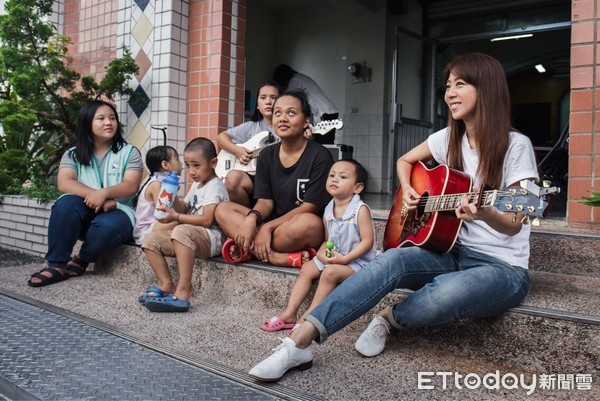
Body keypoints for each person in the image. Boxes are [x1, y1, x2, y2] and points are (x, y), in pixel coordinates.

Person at [249, 53, 539, 381]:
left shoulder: (516, 146)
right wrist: (410, 192)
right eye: (447, 86)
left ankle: (388, 318)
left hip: (502, 267)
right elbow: (404, 161)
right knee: (389, 261)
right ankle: (298, 343)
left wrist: (486, 213)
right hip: (450, 251)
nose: (450, 93)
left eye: (460, 84)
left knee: (447, 292)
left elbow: (516, 222)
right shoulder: (447, 139)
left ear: (487, 89)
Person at [28, 100, 143, 287]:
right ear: (87, 123)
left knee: (107, 227)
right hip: (85, 209)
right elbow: (65, 183)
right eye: (101, 118)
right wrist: (96, 196)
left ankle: (82, 258)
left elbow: (131, 185)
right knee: (64, 204)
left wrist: (105, 193)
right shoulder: (73, 154)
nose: (109, 122)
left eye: (112, 118)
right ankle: (56, 265)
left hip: (119, 210)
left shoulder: (129, 152)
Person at [215, 90, 334, 268]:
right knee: (222, 209)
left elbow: (310, 207)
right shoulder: (267, 155)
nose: (283, 118)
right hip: (273, 227)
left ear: (306, 121)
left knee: (309, 224)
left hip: (295, 227)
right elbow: (265, 202)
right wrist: (253, 219)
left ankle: (251, 248)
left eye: (291, 113)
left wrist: (267, 228)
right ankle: (275, 257)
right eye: (278, 113)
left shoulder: (320, 156)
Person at [260, 159, 377, 332]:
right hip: (336, 257)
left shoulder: (360, 210)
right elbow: (327, 240)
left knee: (329, 273)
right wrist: (322, 253)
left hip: (358, 262)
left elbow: (367, 242)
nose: (335, 179)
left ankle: (309, 317)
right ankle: (289, 314)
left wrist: (345, 259)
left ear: (357, 187)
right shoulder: (329, 209)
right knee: (307, 268)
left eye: (343, 177)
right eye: (331, 175)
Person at [139, 138, 228, 312]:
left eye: (196, 165)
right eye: (187, 165)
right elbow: (186, 207)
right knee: (151, 240)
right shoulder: (197, 184)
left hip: (212, 237)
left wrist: (177, 216)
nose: (191, 171)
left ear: (213, 163)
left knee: (180, 230)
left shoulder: (214, 186)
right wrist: (172, 196)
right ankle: (166, 284)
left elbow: (207, 220)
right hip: (190, 235)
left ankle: (184, 288)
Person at [216, 82, 281, 206]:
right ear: (257, 105)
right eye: (263, 98)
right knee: (232, 179)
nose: (268, 101)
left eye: (274, 98)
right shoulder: (251, 127)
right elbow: (221, 137)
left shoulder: (289, 127)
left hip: (277, 178)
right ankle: (247, 216)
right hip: (253, 178)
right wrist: (237, 151)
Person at [273, 64, 338, 144]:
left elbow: (290, 101)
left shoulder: (294, 81)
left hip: (324, 113)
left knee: (323, 145)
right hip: (328, 111)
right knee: (325, 144)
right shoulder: (299, 77)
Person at [132, 145, 184, 245]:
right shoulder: (156, 184)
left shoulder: (166, 184)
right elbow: (163, 213)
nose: (181, 164)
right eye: (177, 159)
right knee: (177, 223)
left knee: (182, 221)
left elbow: (179, 210)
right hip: (145, 231)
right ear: (165, 165)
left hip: (157, 225)